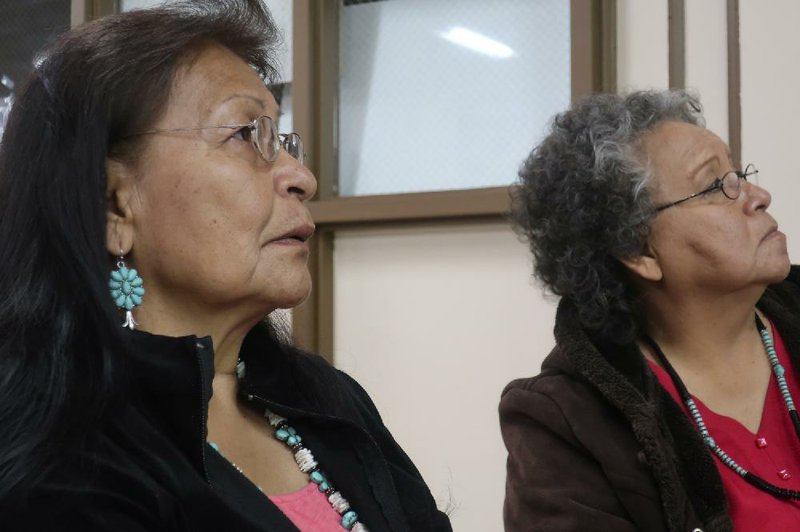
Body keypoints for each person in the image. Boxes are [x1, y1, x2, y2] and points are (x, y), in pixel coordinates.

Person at [0, 1, 451, 530]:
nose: (301, 176)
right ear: (114, 207)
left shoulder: (326, 399)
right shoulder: (62, 465)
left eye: (281, 139)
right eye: (243, 135)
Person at [499, 89, 800, 531]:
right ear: (638, 249)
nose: (759, 196)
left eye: (740, 173)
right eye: (717, 185)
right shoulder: (566, 423)